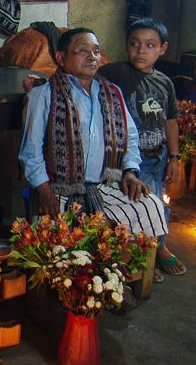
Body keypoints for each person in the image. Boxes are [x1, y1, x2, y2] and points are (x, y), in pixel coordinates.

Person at [19, 28, 167, 239]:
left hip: (106, 186)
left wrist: (130, 173)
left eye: (96, 51)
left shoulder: (112, 93)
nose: (92, 57)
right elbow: (30, 152)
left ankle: (131, 265)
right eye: (82, 50)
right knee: (58, 241)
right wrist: (43, 191)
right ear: (61, 57)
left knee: (150, 204)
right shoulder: (43, 95)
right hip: (60, 190)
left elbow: (130, 137)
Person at [99, 18, 185, 279]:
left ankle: (158, 248)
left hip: (157, 157)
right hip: (130, 160)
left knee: (158, 204)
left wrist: (174, 156)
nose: (141, 50)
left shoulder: (164, 83)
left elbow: (170, 122)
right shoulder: (115, 73)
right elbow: (81, 78)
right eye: (135, 44)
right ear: (126, 47)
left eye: (150, 45)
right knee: (140, 206)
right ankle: (142, 256)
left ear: (163, 49)